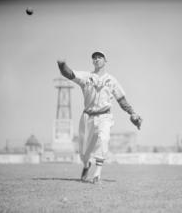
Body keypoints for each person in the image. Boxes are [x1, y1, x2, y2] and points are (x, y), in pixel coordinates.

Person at [57, 51, 142, 184]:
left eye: (99, 57)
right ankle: (86, 165)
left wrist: (132, 113)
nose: (97, 59)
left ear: (105, 60)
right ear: (93, 62)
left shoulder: (111, 80)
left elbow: (121, 99)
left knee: (104, 139)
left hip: (104, 116)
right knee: (84, 152)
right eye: (94, 58)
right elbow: (69, 74)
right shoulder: (86, 77)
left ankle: (97, 173)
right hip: (87, 117)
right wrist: (61, 64)